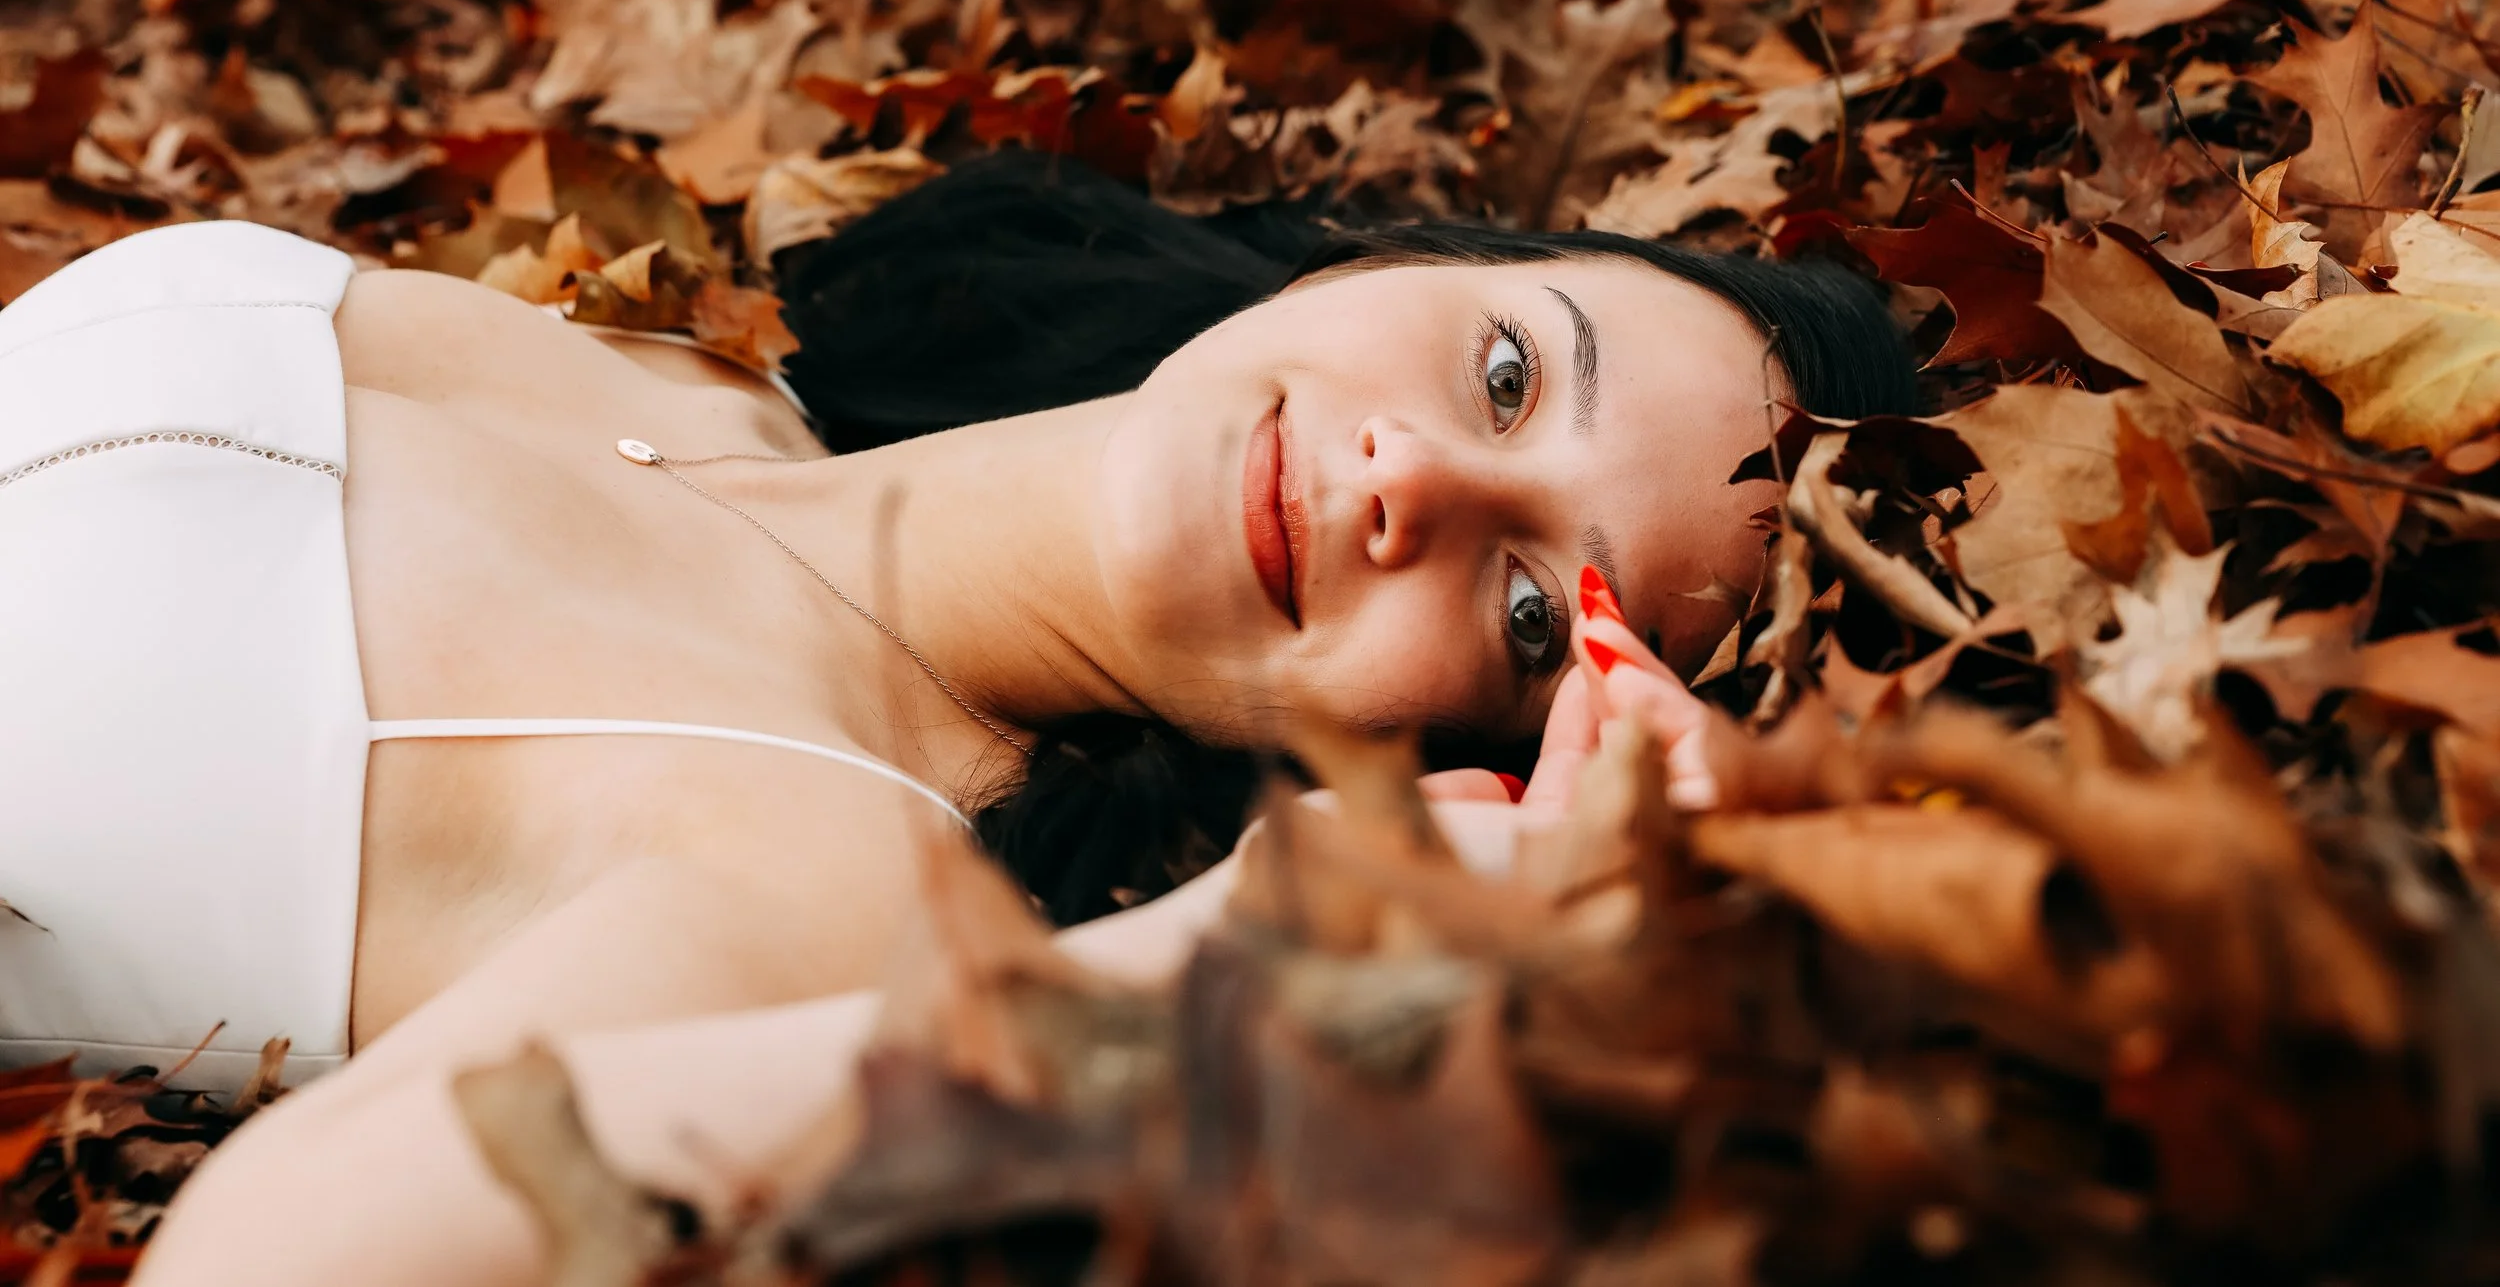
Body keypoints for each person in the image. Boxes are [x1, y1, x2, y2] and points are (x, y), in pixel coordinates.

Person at [0, 150, 1915, 1283]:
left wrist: (1198, 979)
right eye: (1508, 371)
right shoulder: (695, 368)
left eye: (1522, 609)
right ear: (1412, 263)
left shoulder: (820, 865)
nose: (1407, 475)